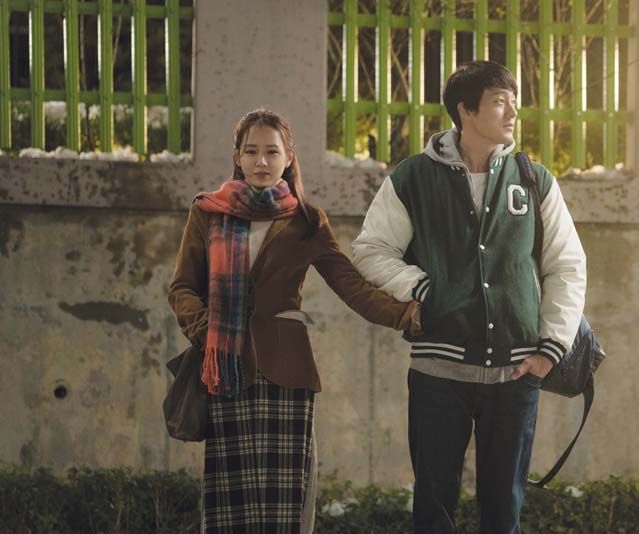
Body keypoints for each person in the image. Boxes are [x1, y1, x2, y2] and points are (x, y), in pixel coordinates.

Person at [352, 60, 587, 533]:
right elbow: (370, 250)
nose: (512, 113)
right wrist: (424, 288)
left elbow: (566, 265)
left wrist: (550, 350)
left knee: (503, 513)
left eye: (514, 102)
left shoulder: (533, 178)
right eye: (500, 102)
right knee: (434, 509)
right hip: (438, 372)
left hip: (517, 373)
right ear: (465, 110)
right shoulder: (413, 177)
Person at [168, 108, 420, 533]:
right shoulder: (208, 212)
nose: (261, 161)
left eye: (271, 151)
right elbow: (182, 289)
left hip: (286, 370)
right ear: (237, 155)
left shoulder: (306, 221)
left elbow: (351, 286)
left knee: (285, 502)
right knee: (231, 504)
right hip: (227, 369)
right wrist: (206, 331)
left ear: (288, 157)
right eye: (251, 151)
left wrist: (406, 315)